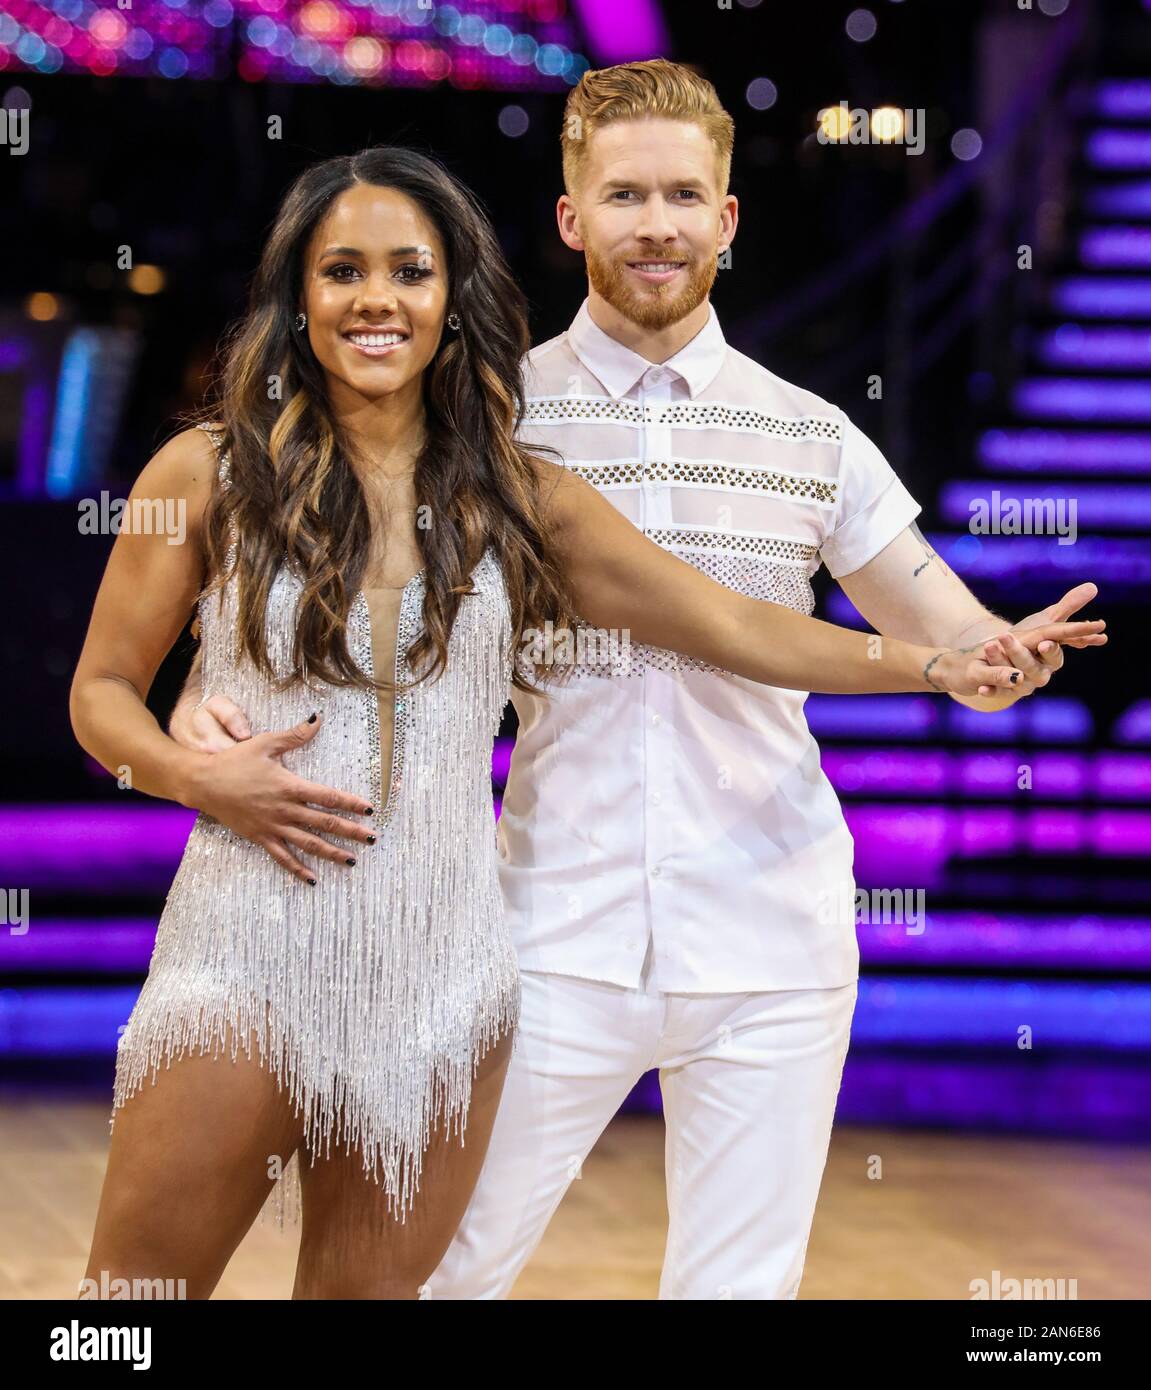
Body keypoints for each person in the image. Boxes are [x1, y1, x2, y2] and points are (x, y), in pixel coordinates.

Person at [97, 140, 1100, 1303]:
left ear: (450, 298)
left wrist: (939, 659)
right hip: (264, 942)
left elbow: (733, 627)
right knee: (126, 1309)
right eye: (342, 271)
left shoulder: (517, 487)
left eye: (411, 272)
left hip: (451, 966)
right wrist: (188, 768)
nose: (376, 299)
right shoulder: (205, 469)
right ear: (296, 295)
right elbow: (105, 688)